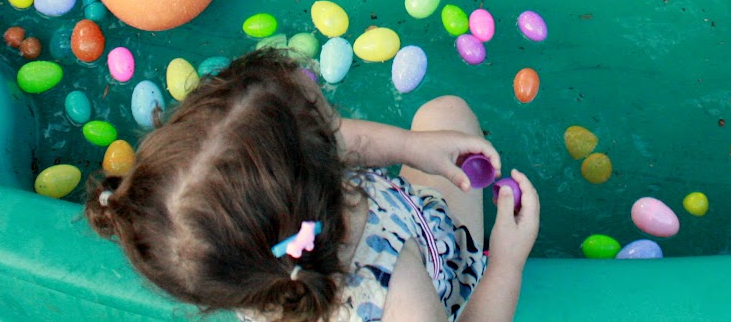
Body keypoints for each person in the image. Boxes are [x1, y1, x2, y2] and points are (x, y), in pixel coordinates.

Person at [85, 48, 539, 322]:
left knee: (435, 126)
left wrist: (410, 147)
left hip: (387, 237)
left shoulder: (254, 256)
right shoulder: (405, 302)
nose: (336, 123)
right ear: (323, 175)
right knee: (448, 111)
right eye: (325, 118)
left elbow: (343, 141)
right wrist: (507, 262)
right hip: (439, 274)